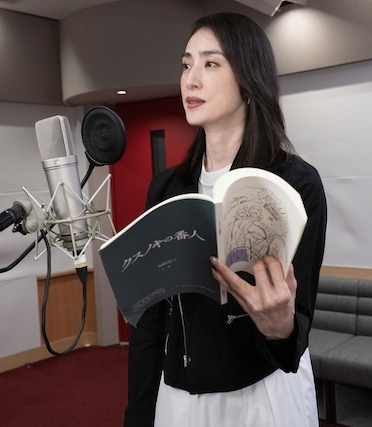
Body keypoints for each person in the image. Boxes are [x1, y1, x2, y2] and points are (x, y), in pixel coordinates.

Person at [124, 12, 327, 427]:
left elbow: (298, 321)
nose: (191, 79)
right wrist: (139, 413)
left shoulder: (296, 183)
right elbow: (151, 323)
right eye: (186, 65)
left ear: (248, 79)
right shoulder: (166, 188)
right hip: (181, 396)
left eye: (210, 63)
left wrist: (280, 327)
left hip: (264, 391)